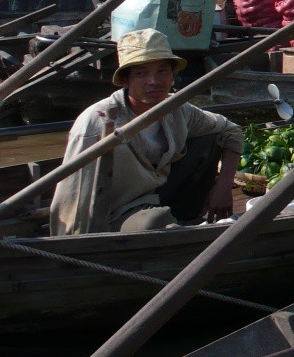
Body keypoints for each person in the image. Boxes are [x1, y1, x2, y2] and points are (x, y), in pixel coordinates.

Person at [50, 29, 244, 235]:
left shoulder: (177, 109)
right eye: (141, 73)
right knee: (155, 221)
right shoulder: (98, 122)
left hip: (159, 195)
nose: (154, 81)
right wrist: (79, 243)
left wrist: (223, 187)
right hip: (116, 212)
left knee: (210, 137)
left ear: (173, 75)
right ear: (126, 80)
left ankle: (187, 217)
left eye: (162, 71)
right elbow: (73, 196)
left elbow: (231, 131)